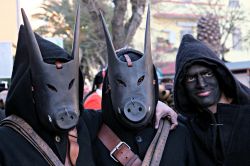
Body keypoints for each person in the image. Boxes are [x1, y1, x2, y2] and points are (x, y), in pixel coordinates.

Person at [84, 8, 196, 166]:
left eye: (141, 81)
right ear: (109, 88)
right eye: (121, 83)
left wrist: (156, 102)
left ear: (153, 83)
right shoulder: (91, 129)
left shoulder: (178, 132)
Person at [0, 8, 95, 166]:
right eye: (51, 85)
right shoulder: (5, 141)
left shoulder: (85, 127)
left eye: (69, 83)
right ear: (29, 87)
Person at [174, 34, 250, 165]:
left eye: (207, 74)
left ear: (220, 75)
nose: (201, 84)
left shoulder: (247, 115)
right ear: (182, 86)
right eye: (191, 78)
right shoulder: (183, 129)